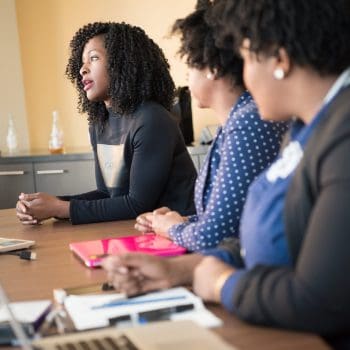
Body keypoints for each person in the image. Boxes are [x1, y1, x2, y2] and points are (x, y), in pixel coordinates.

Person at [102, 0, 350, 347]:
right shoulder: (304, 129)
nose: (243, 75)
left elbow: (320, 301)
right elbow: (270, 241)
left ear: (279, 58)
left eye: (247, 57)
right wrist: (180, 272)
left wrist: (221, 284)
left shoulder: (342, 136)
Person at [134, 0, 288, 251]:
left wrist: (172, 228)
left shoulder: (248, 122)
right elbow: (230, 220)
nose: (186, 76)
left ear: (213, 67)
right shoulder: (238, 120)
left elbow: (215, 237)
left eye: (190, 64)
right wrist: (179, 221)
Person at [15, 22, 197, 225]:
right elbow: (107, 194)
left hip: (178, 234)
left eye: (93, 58)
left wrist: (61, 208)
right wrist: (48, 205)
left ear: (122, 63)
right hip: (136, 229)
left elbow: (138, 204)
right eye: (82, 62)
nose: (83, 69)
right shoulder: (99, 123)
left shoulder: (152, 119)